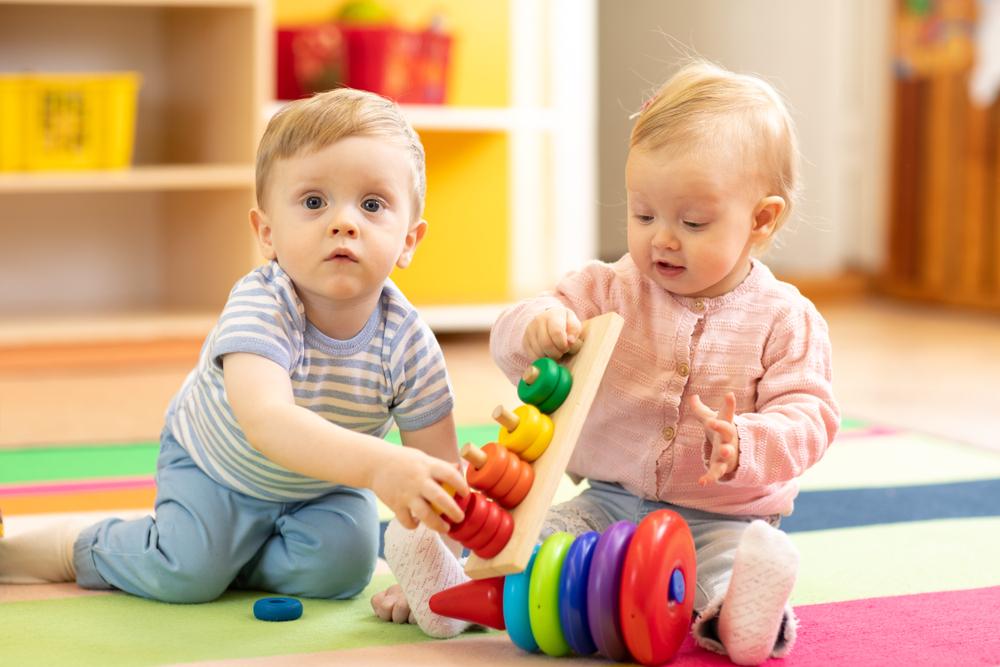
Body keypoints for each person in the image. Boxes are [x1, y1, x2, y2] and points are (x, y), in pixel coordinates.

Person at [378, 60, 839, 666]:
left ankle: (745, 622)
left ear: (760, 219)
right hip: (608, 501)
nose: (662, 238)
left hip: (718, 521)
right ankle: (447, 592)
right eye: (643, 214)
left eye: (692, 222)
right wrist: (538, 327)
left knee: (719, 577)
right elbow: (515, 345)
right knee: (533, 545)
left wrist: (746, 444)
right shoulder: (607, 288)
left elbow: (810, 416)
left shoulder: (787, 318)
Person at [0, 88, 469, 605]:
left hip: (325, 486)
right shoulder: (262, 304)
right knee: (185, 574)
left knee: (342, 574)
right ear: (266, 232)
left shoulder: (409, 343)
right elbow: (267, 421)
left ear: (408, 240)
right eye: (314, 202)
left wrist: (434, 584)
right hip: (217, 467)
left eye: (373, 204)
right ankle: (76, 546)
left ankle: (234, 558)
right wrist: (381, 466)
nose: (344, 221)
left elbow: (442, 480)